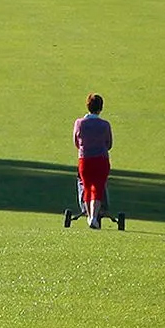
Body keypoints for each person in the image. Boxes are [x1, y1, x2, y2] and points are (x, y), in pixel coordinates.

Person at [68, 94, 113, 229]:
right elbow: (109, 144)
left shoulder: (79, 123)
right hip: (101, 160)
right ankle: (94, 216)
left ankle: (89, 216)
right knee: (98, 187)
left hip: (85, 159)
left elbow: (76, 142)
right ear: (101, 108)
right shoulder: (105, 125)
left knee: (86, 186)